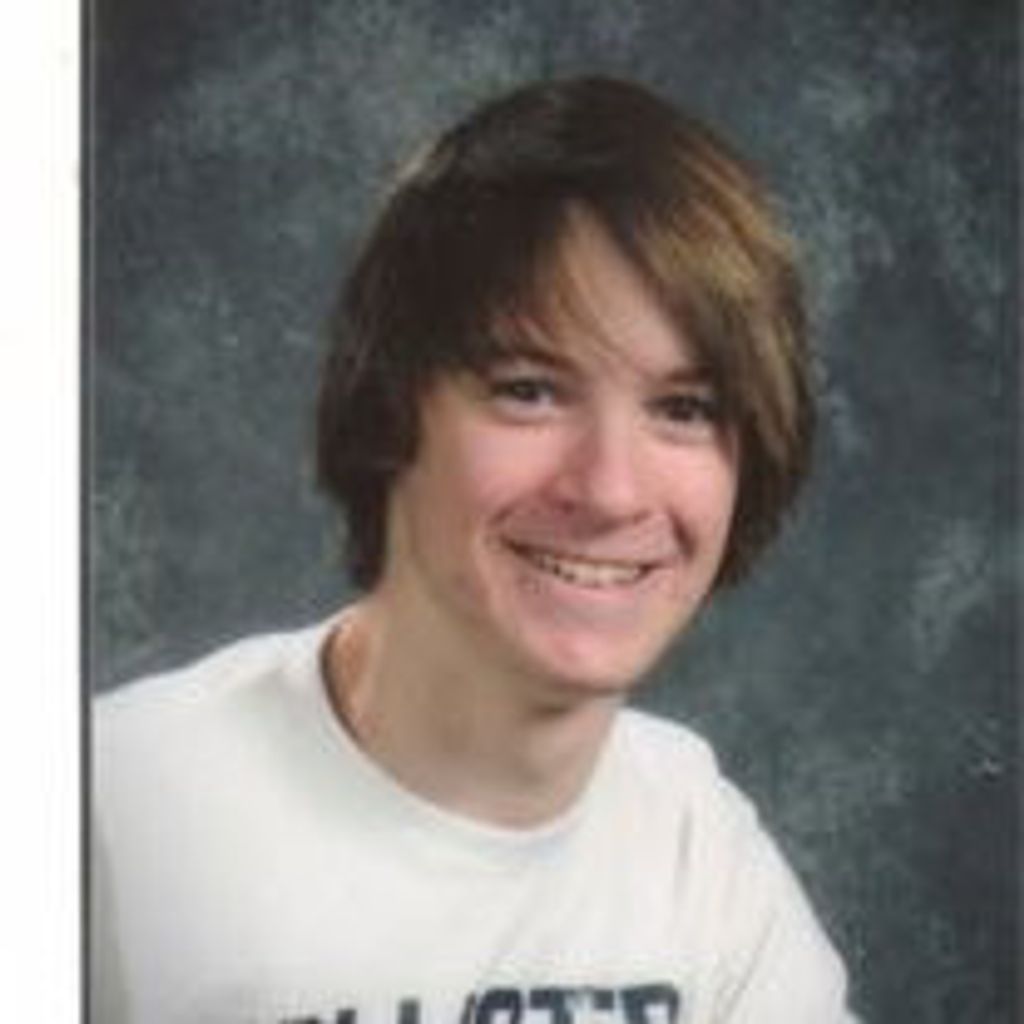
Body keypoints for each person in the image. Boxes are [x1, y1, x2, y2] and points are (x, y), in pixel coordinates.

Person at [93, 76, 859, 1023]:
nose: (611, 491)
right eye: (530, 391)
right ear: (389, 413)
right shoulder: (113, 811)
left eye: (683, 408)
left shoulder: (698, 853)